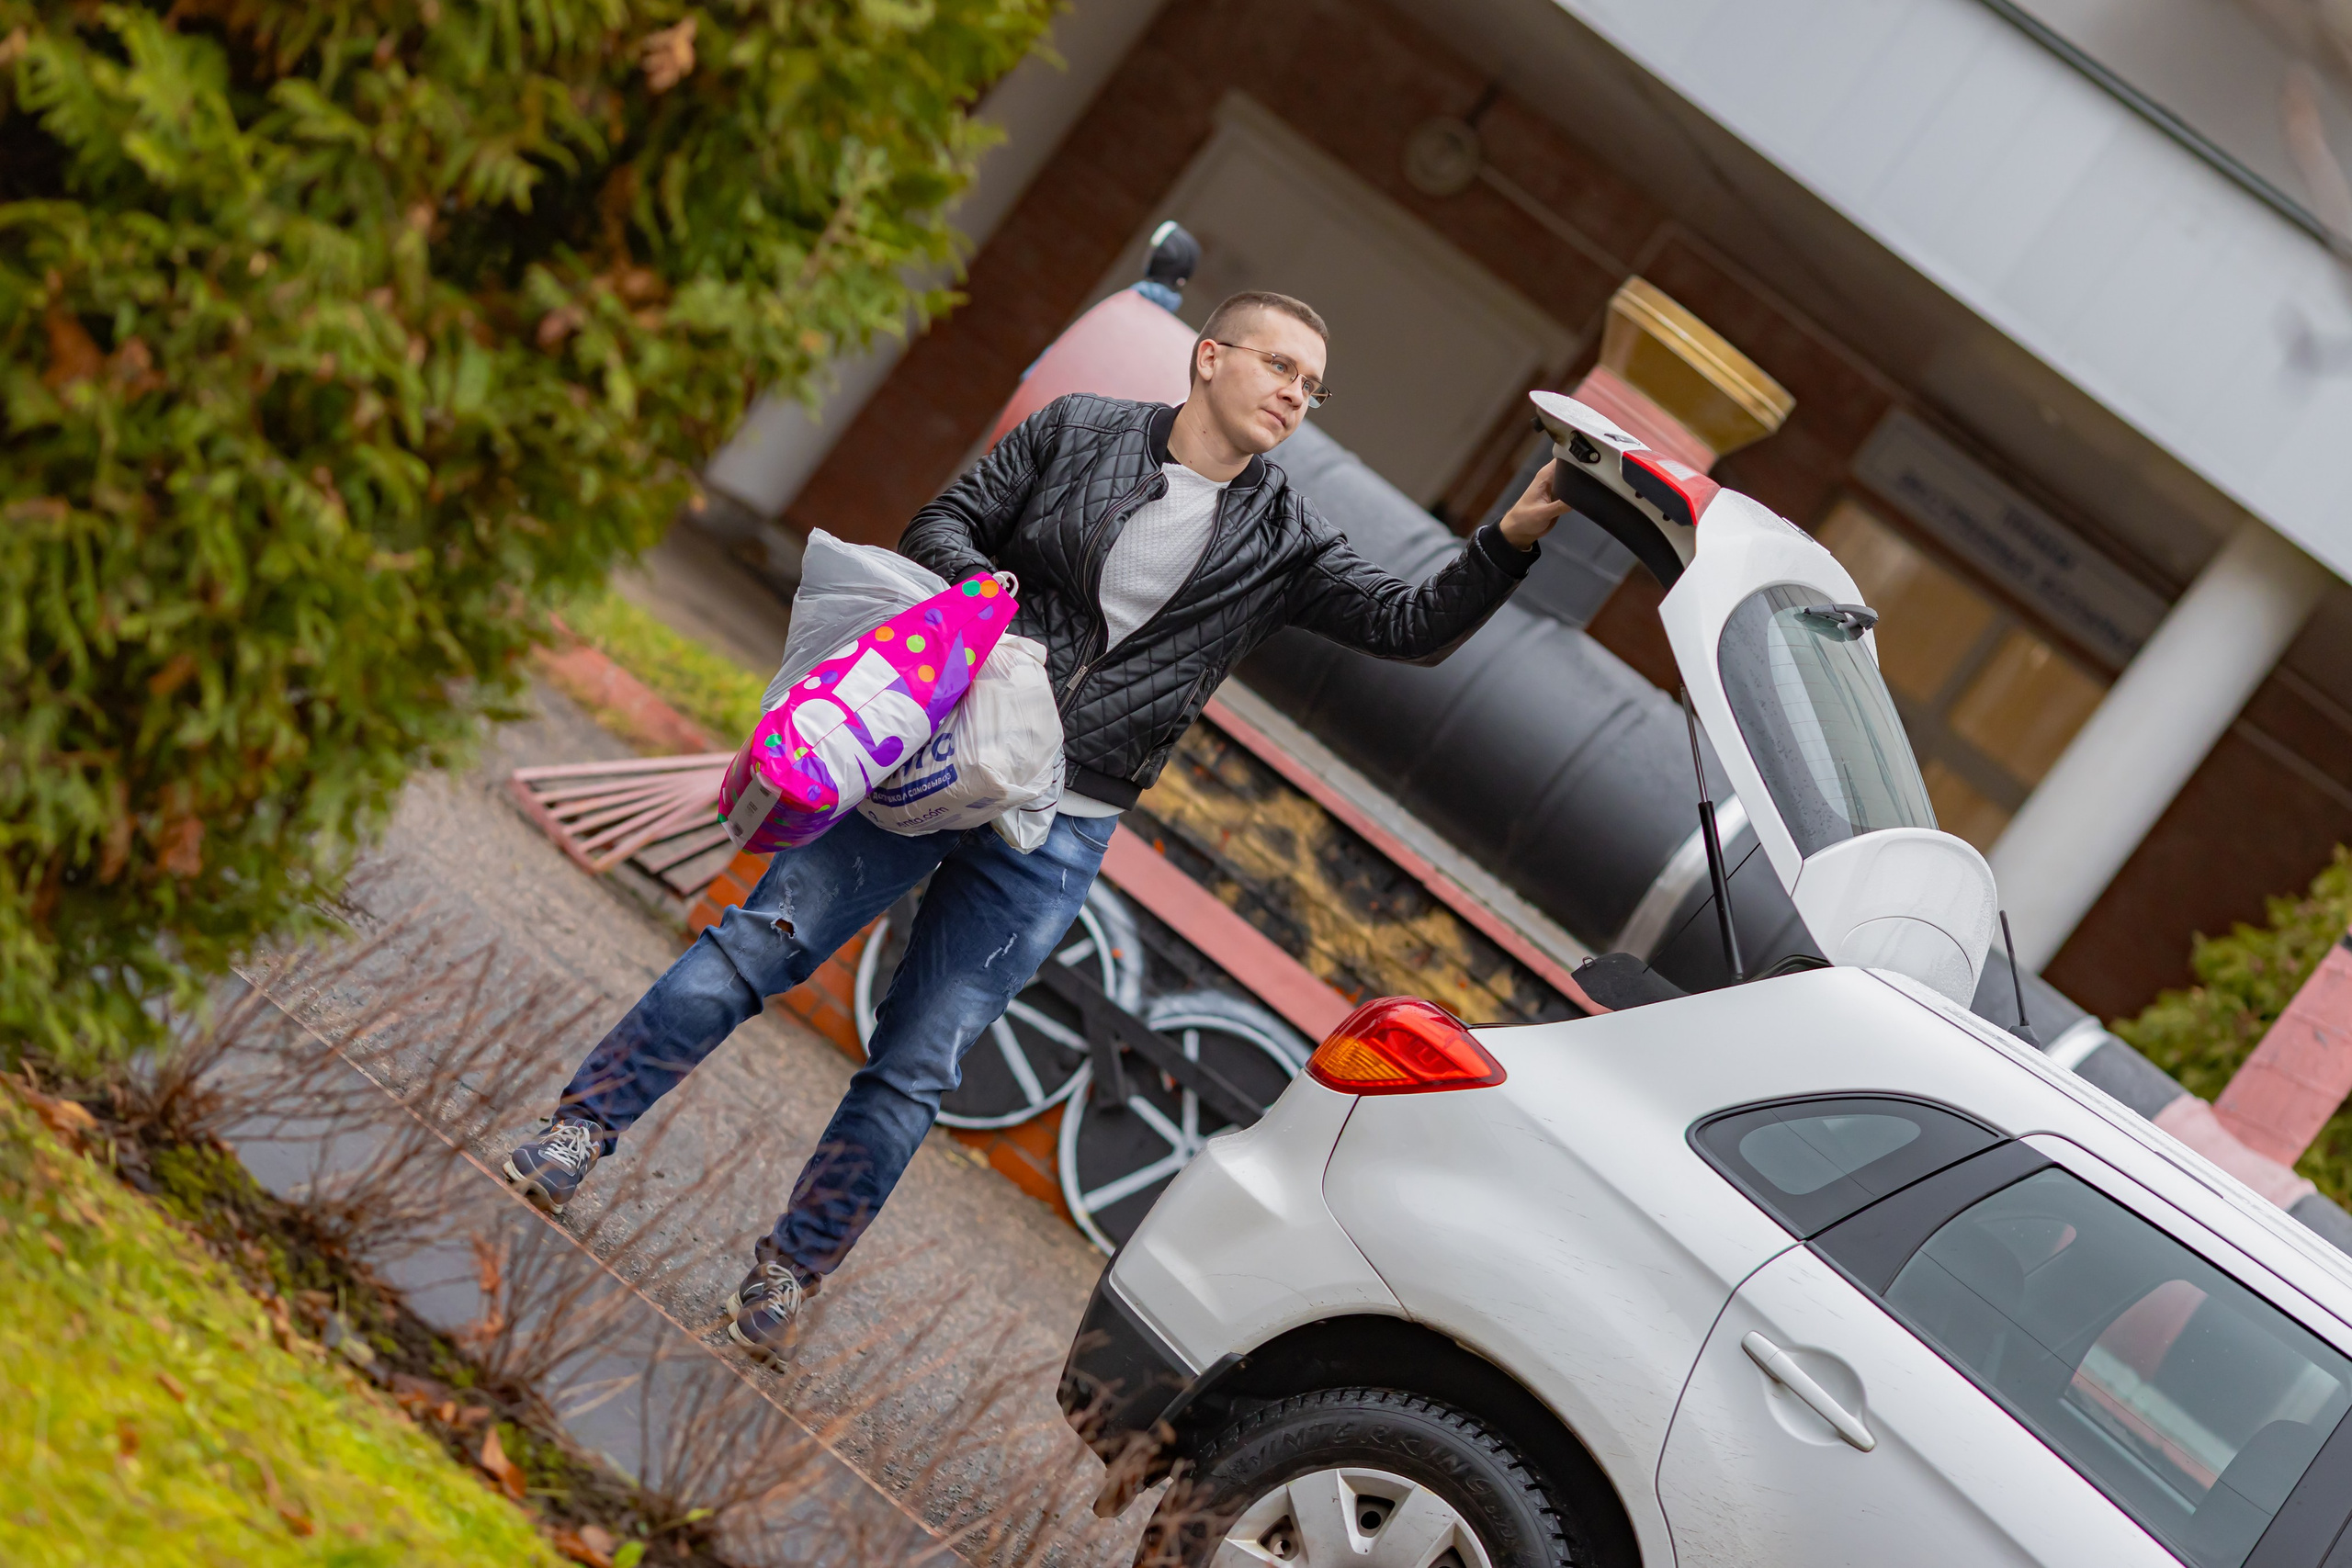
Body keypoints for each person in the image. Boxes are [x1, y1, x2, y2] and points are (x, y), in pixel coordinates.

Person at [503, 290, 1571, 1362]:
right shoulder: (1080, 430)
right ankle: (576, 1130)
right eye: (1279, 366)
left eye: (1311, 386)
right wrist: (990, 606)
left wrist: (1509, 541)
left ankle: (789, 1272)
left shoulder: (1282, 535)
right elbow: (943, 522)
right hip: (935, 758)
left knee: (918, 1063)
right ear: (1209, 358)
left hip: (1059, 830)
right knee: (754, 949)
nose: (1295, 394)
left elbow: (1409, 624)